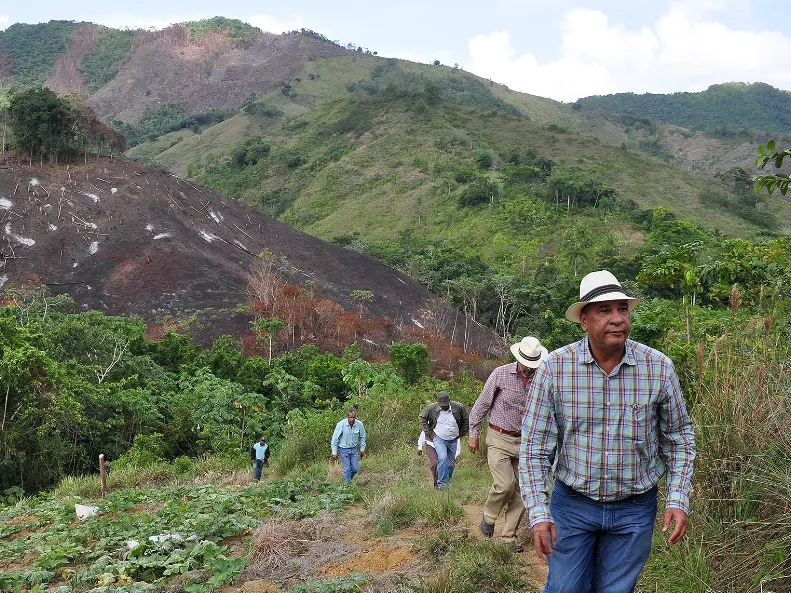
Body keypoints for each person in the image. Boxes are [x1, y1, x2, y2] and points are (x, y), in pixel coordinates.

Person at [519, 270, 696, 593]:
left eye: (622, 309)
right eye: (605, 310)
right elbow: (534, 448)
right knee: (564, 588)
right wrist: (538, 511)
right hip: (572, 505)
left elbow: (680, 438)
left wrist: (678, 497)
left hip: (635, 508)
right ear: (584, 320)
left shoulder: (658, 368)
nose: (617, 319)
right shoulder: (555, 369)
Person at [469, 335, 548, 551]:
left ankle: (508, 537)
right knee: (505, 485)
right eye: (526, 364)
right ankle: (488, 515)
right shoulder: (500, 374)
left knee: (524, 490)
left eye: (533, 365)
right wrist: (473, 433)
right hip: (498, 438)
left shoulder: (542, 378)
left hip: (526, 441)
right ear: (518, 358)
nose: (528, 369)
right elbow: (481, 404)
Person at [418, 391, 469, 489]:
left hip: (453, 438)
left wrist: (462, 433)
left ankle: (448, 483)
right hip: (439, 438)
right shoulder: (432, 408)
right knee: (442, 457)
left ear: (449, 401)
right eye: (441, 405)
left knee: (450, 462)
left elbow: (466, 419)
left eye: (445, 405)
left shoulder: (459, 407)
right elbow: (422, 418)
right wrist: (429, 432)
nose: (443, 407)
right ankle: (441, 485)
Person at [331, 408, 367, 484]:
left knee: (355, 469)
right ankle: (347, 486)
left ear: (356, 417)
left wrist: (362, 449)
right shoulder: (341, 424)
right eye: (350, 417)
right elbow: (335, 439)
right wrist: (334, 452)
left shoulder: (359, 424)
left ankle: (348, 481)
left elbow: (362, 437)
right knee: (347, 469)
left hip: (354, 449)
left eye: (354, 417)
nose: (352, 419)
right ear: (347, 417)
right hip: (343, 449)